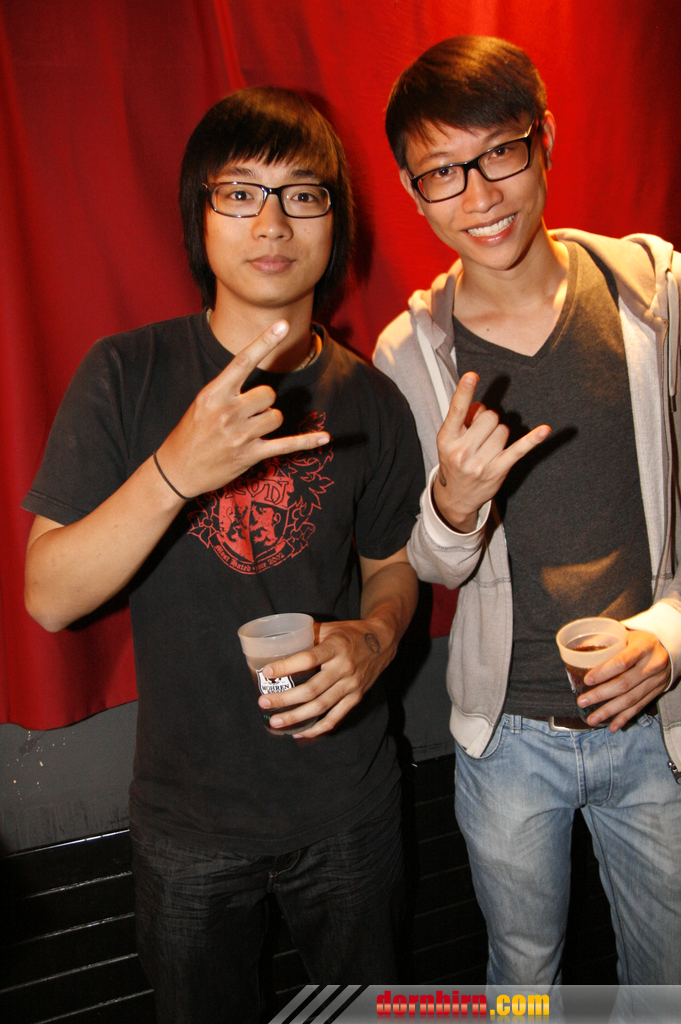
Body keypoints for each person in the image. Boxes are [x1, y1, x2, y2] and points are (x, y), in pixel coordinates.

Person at [23, 87, 424, 1022]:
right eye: (239, 193)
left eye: (303, 194)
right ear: (197, 219)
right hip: (188, 823)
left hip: (350, 803)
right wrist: (176, 469)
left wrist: (373, 637)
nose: (272, 222)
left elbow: (392, 564)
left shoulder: (371, 399)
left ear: (336, 222)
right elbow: (48, 596)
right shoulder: (126, 374)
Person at [374, 36, 681, 985]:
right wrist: (453, 504)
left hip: (657, 718)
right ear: (411, 189)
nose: (478, 196)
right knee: (520, 975)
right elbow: (430, 565)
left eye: (498, 153)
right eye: (442, 172)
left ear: (543, 138)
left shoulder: (655, 302)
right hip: (504, 733)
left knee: (667, 978)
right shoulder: (407, 354)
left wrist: (670, 635)